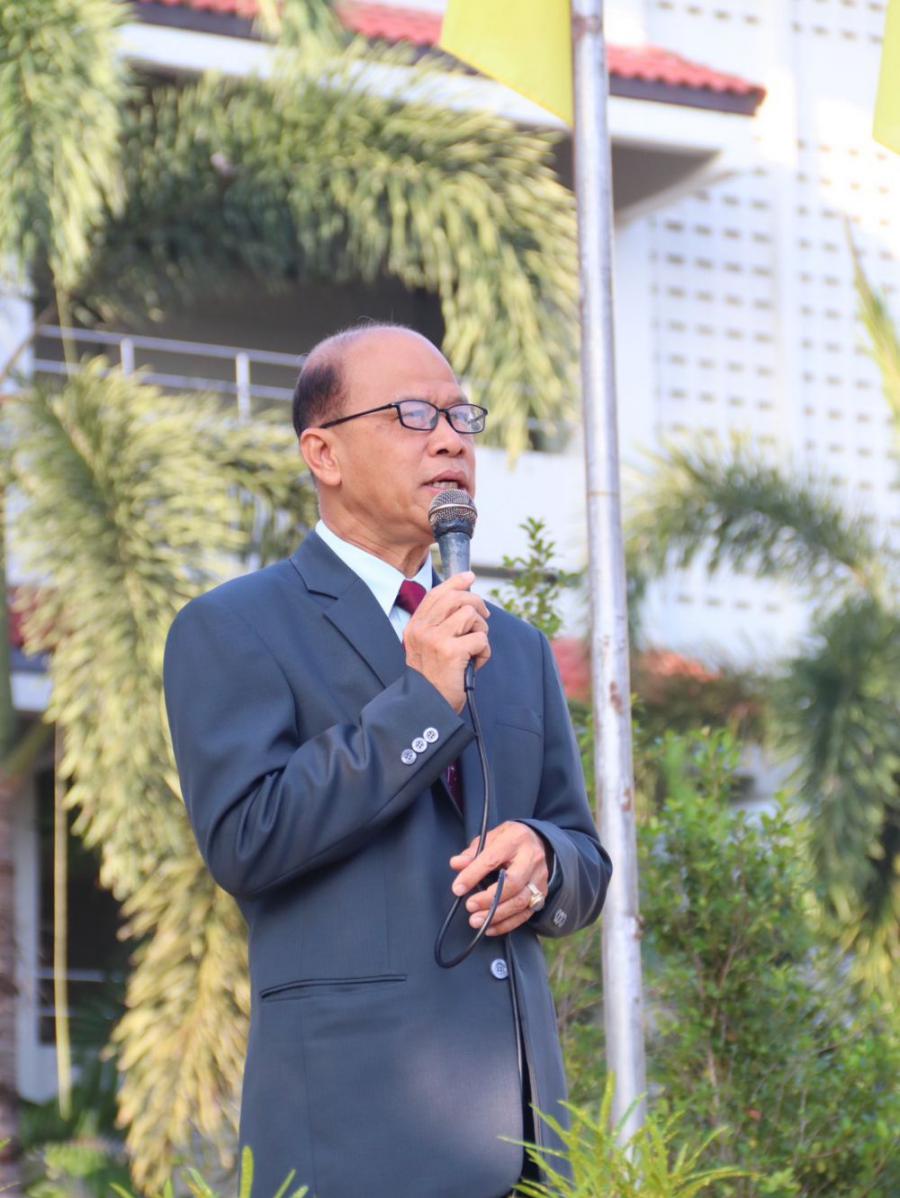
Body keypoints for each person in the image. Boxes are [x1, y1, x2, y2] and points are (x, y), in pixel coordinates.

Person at [163, 324, 611, 1198]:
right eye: (412, 415)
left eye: (461, 417)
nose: (449, 440)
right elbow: (248, 839)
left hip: (525, 1146)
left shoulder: (516, 648)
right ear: (322, 453)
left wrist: (544, 861)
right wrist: (421, 704)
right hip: (352, 1137)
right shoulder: (233, 626)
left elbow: (584, 859)